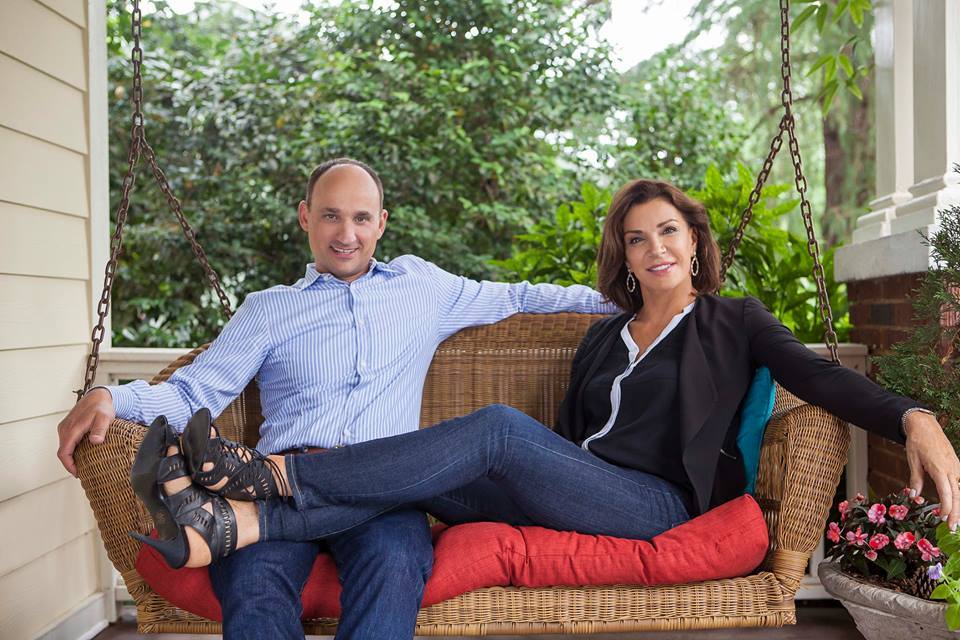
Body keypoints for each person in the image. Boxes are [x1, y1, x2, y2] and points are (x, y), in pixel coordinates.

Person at [131, 179, 960, 573]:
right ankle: (229, 529)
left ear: (695, 242)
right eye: (637, 238)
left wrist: (912, 417)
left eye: (669, 232)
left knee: (495, 428)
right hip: (574, 489)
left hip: (654, 504)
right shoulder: (604, 335)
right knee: (416, 475)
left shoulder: (732, 321)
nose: (656, 249)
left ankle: (268, 477)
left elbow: (821, 379)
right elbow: (565, 434)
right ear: (624, 256)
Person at [56, 158, 616, 640]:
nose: (346, 233)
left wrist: (634, 300)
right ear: (306, 217)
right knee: (253, 584)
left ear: (381, 223)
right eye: (331, 215)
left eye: (361, 218)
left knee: (394, 563)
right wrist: (110, 396)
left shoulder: (425, 289)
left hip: (385, 483)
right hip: (278, 479)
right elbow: (194, 392)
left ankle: (228, 522)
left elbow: (520, 296)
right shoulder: (269, 309)